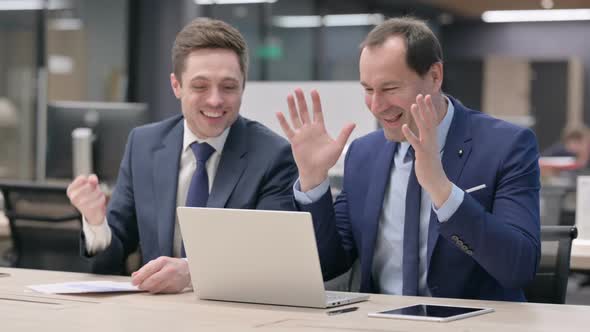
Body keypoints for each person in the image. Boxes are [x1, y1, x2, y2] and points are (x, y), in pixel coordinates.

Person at [276, 17, 540, 301]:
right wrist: (313, 180)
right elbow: (329, 266)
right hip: (379, 321)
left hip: (473, 323)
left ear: (435, 77)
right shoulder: (364, 154)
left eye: (390, 89)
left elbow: (518, 268)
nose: (376, 106)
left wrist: (443, 190)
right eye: (368, 89)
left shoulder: (506, 146)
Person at [67, 18, 297, 294]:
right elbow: (110, 259)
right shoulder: (144, 144)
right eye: (200, 86)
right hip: (156, 313)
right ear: (176, 86)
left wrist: (192, 272)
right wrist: (96, 222)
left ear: (243, 86)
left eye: (228, 86)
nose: (215, 100)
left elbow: (272, 257)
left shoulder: (273, 155)